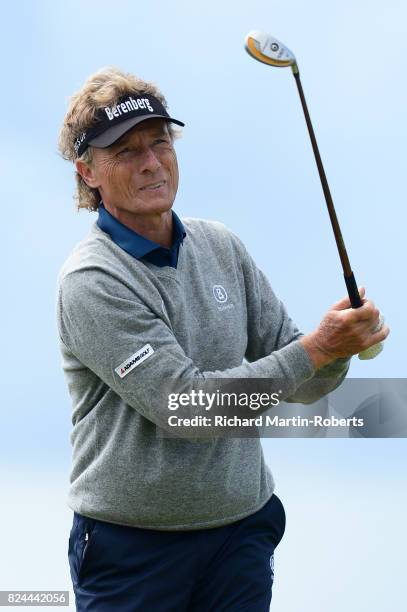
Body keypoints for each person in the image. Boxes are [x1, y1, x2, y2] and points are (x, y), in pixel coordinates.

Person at [56, 67, 389, 612]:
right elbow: (186, 409)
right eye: (125, 152)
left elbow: (303, 385)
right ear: (87, 172)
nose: (150, 163)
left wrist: (340, 348)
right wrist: (317, 349)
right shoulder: (93, 280)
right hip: (133, 549)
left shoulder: (220, 246)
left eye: (159, 142)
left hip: (239, 534)